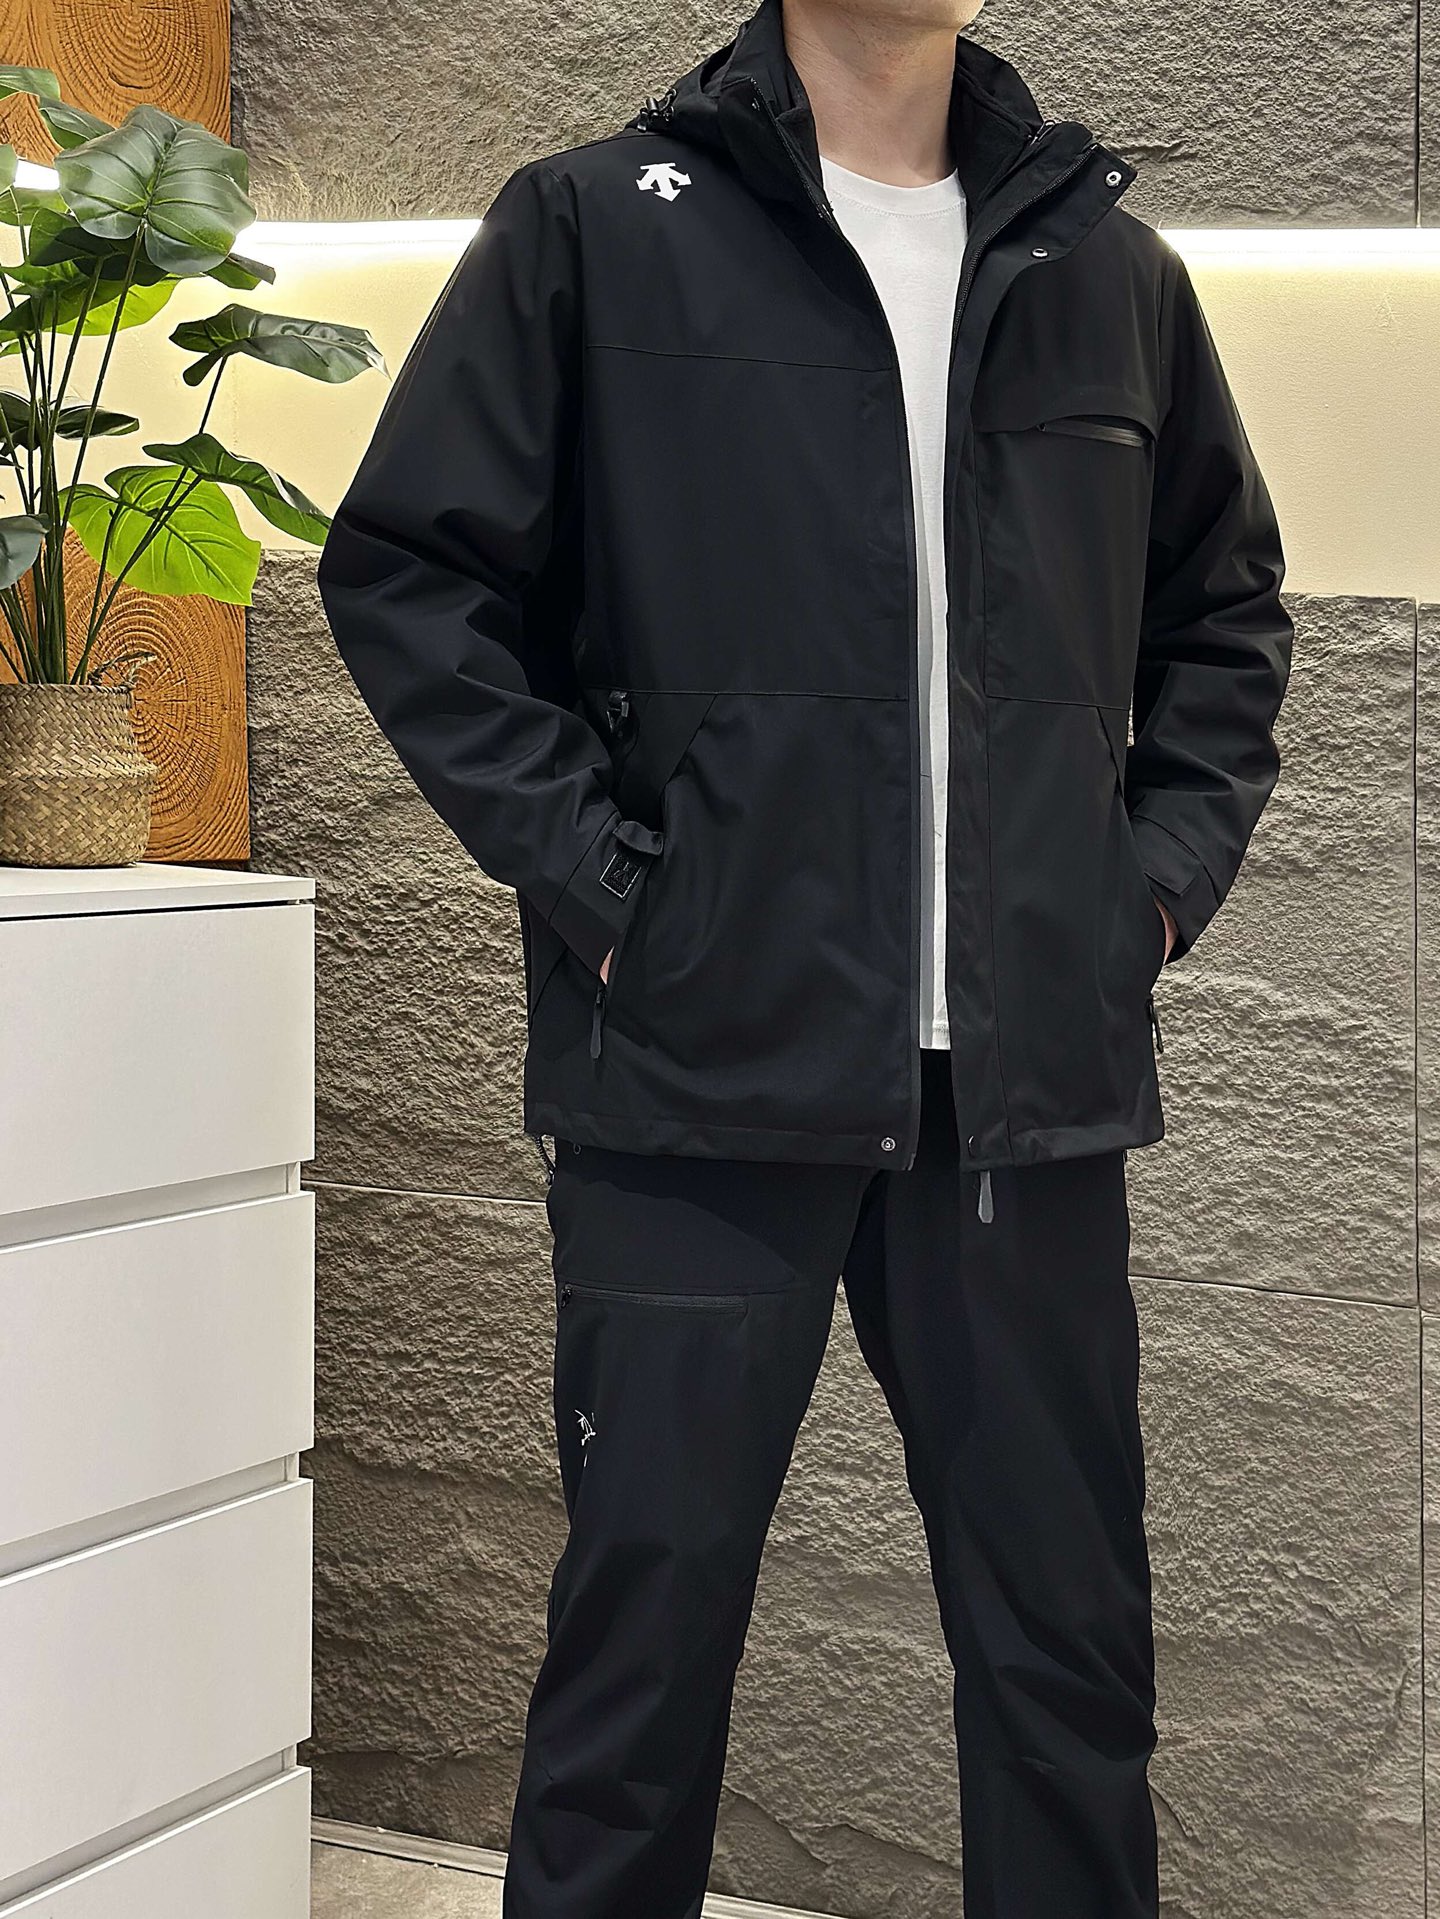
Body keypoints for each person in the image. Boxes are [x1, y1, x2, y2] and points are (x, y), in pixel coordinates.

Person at [317, 0, 1294, 1910]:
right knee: (637, 1679)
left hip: (1018, 1107)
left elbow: (1225, 619)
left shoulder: (1106, 269)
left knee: (1069, 1675)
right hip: (699, 1074)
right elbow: (413, 577)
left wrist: (1142, 902)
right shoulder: (597, 227)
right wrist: (618, 894)